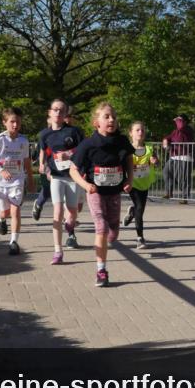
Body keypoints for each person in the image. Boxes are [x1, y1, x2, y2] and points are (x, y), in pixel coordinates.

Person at [71, 103, 133, 288]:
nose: (111, 119)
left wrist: (129, 179)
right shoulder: (88, 144)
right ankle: (101, 270)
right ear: (96, 122)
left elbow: (129, 160)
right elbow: (73, 170)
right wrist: (85, 185)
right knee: (102, 228)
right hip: (95, 192)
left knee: (113, 232)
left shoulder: (121, 141)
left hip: (114, 193)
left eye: (113, 116)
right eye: (106, 116)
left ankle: (106, 241)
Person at [39, 99, 86, 265]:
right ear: (49, 112)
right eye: (55, 109)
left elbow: (84, 150)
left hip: (73, 176)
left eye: (61, 110)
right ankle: (58, 251)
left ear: (65, 114)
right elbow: (44, 151)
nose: (58, 112)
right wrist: (43, 166)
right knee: (57, 212)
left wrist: (69, 153)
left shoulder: (74, 131)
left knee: (72, 213)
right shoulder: (44, 134)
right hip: (57, 176)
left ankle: (70, 224)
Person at [0, 107, 34, 255]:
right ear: (4, 122)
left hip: (17, 180)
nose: (15, 125)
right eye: (12, 122)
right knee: (5, 212)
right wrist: (0, 170)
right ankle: (1, 219)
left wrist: (31, 179)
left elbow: (26, 161)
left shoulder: (23, 141)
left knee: (15, 210)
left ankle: (14, 242)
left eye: (18, 122)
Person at [124, 120, 158, 248]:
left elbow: (157, 162)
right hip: (132, 183)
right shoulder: (127, 149)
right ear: (131, 133)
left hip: (144, 183)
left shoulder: (149, 148)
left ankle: (132, 212)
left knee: (140, 209)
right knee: (139, 208)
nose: (140, 132)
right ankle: (140, 238)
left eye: (142, 130)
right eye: (137, 130)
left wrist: (155, 161)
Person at [162, 115, 195, 203]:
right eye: (177, 120)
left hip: (185, 157)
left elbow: (181, 127)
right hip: (174, 156)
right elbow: (169, 137)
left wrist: (179, 120)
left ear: (184, 121)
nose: (177, 122)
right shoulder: (175, 131)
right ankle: (169, 192)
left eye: (179, 120)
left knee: (183, 178)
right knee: (166, 171)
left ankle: (185, 197)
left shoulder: (188, 129)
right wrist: (165, 140)